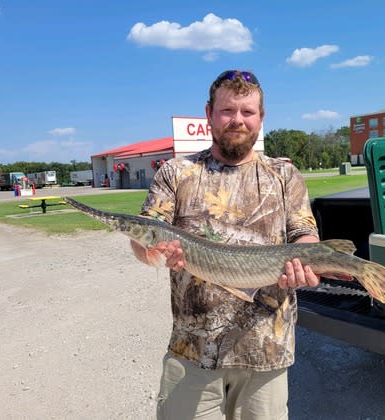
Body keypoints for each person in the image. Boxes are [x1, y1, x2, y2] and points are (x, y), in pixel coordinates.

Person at [131, 69, 320, 420]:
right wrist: (151, 251)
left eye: (247, 112)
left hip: (267, 352)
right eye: (227, 111)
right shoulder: (176, 173)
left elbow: (303, 233)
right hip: (192, 352)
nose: (238, 120)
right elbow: (146, 238)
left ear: (260, 118)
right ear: (209, 114)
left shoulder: (284, 175)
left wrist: (305, 263)